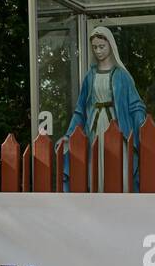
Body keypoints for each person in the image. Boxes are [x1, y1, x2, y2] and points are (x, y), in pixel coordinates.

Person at [60, 26, 146, 191]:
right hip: (94, 128)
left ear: (110, 46)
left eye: (101, 46)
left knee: (119, 165)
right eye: (95, 47)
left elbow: (136, 105)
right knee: (96, 164)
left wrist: (141, 124)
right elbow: (80, 110)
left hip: (117, 127)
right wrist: (69, 134)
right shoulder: (89, 76)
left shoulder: (122, 75)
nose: (98, 51)